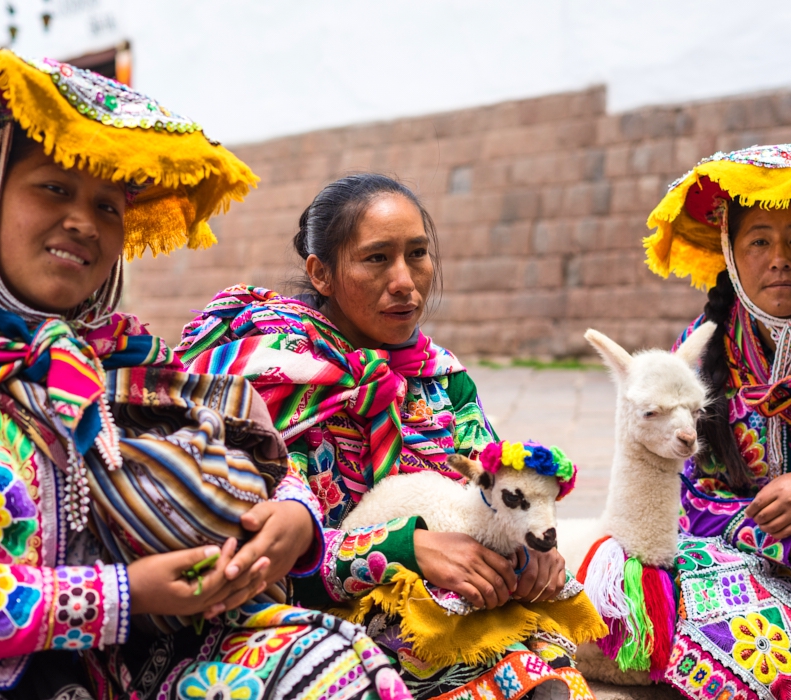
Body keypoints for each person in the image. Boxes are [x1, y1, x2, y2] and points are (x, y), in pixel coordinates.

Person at [0, 50, 410, 700]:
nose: (83, 221)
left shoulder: (116, 362)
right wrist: (120, 597)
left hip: (140, 668)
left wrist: (295, 519)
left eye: (108, 206)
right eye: (53, 187)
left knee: (336, 665)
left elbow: (254, 452)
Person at [177, 174, 606, 700]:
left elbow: (489, 490)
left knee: (543, 647)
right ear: (322, 273)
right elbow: (259, 552)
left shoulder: (442, 377)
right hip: (311, 616)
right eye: (377, 258)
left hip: (447, 604)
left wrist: (529, 544)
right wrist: (407, 548)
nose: (405, 280)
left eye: (418, 254)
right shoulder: (269, 378)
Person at [644, 144, 791, 699]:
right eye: (759, 241)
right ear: (730, 253)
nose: (780, 258)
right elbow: (682, 496)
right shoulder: (700, 351)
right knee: (717, 610)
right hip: (764, 551)